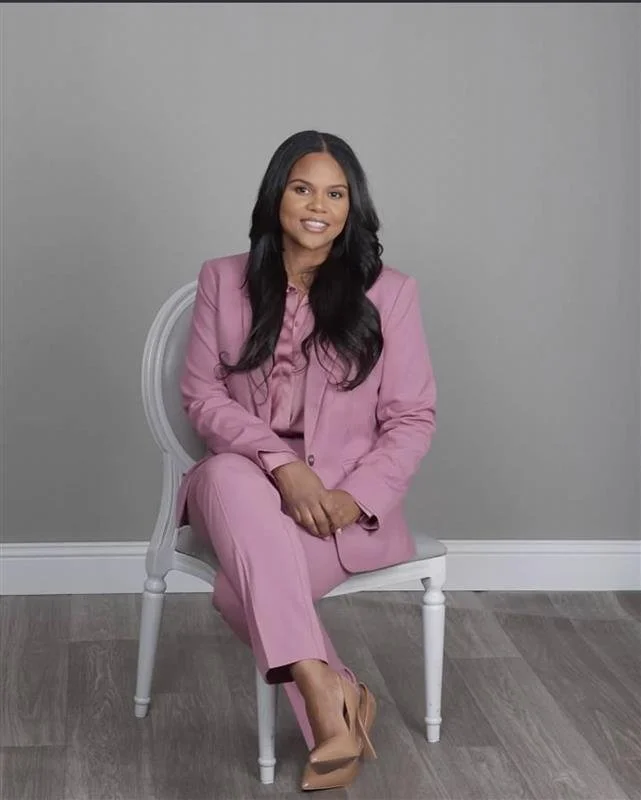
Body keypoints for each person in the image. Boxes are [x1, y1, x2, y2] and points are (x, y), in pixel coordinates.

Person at [176, 130, 437, 791]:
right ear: (276, 197)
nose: (316, 205)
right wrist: (280, 464)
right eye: (301, 188)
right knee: (229, 472)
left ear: (353, 206)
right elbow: (202, 394)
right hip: (240, 476)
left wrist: (349, 497)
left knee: (239, 592)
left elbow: (410, 417)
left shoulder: (391, 293)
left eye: (334, 193)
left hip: (341, 498)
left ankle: (337, 696)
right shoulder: (221, 278)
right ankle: (329, 695)